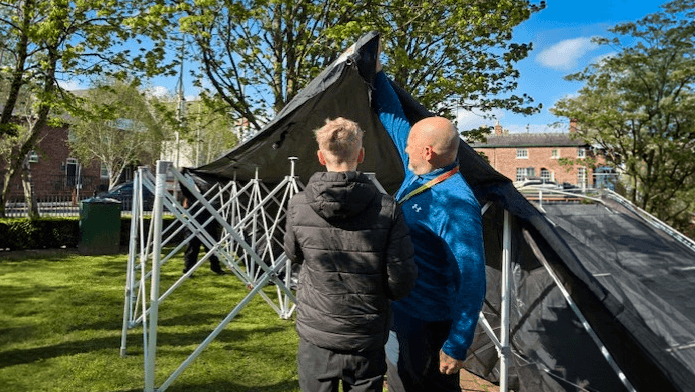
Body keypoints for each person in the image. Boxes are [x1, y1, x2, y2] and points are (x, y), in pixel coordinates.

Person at [371, 53, 486, 391]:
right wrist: (378, 74)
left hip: (431, 323)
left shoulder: (457, 204)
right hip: (404, 313)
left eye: (410, 148)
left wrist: (457, 343)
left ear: (428, 152)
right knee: (404, 380)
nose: (404, 151)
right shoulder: (418, 174)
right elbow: (393, 121)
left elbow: (472, 278)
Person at [283, 117, 418, 392]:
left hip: (318, 334)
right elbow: (401, 279)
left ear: (320, 157)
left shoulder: (298, 205)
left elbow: (293, 254)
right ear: (361, 154)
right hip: (364, 334)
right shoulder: (388, 208)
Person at [182, 193, 226, 276]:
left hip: (208, 224)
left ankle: (216, 268)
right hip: (195, 225)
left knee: (212, 249)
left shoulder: (210, 195)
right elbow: (185, 205)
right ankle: (189, 269)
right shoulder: (192, 194)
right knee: (192, 249)